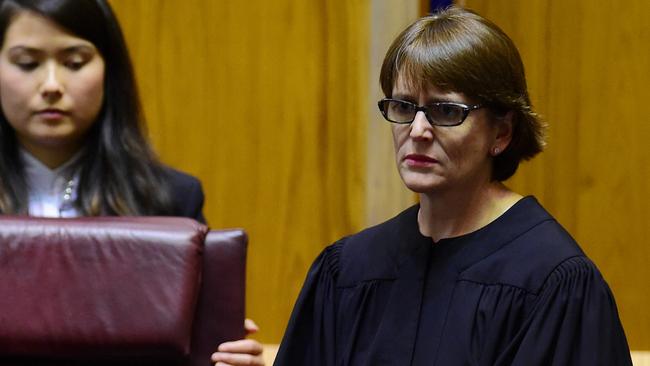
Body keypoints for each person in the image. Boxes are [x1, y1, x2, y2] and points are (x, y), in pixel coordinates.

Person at [275, 6, 631, 366]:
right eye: (403, 106)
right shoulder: (348, 270)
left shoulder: (554, 283)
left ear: (502, 132)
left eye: (445, 111)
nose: (417, 131)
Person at [0, 1, 263, 365]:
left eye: (74, 62)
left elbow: (195, 348)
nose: (51, 85)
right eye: (27, 63)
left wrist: (225, 356)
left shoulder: (171, 199)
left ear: (110, 71)